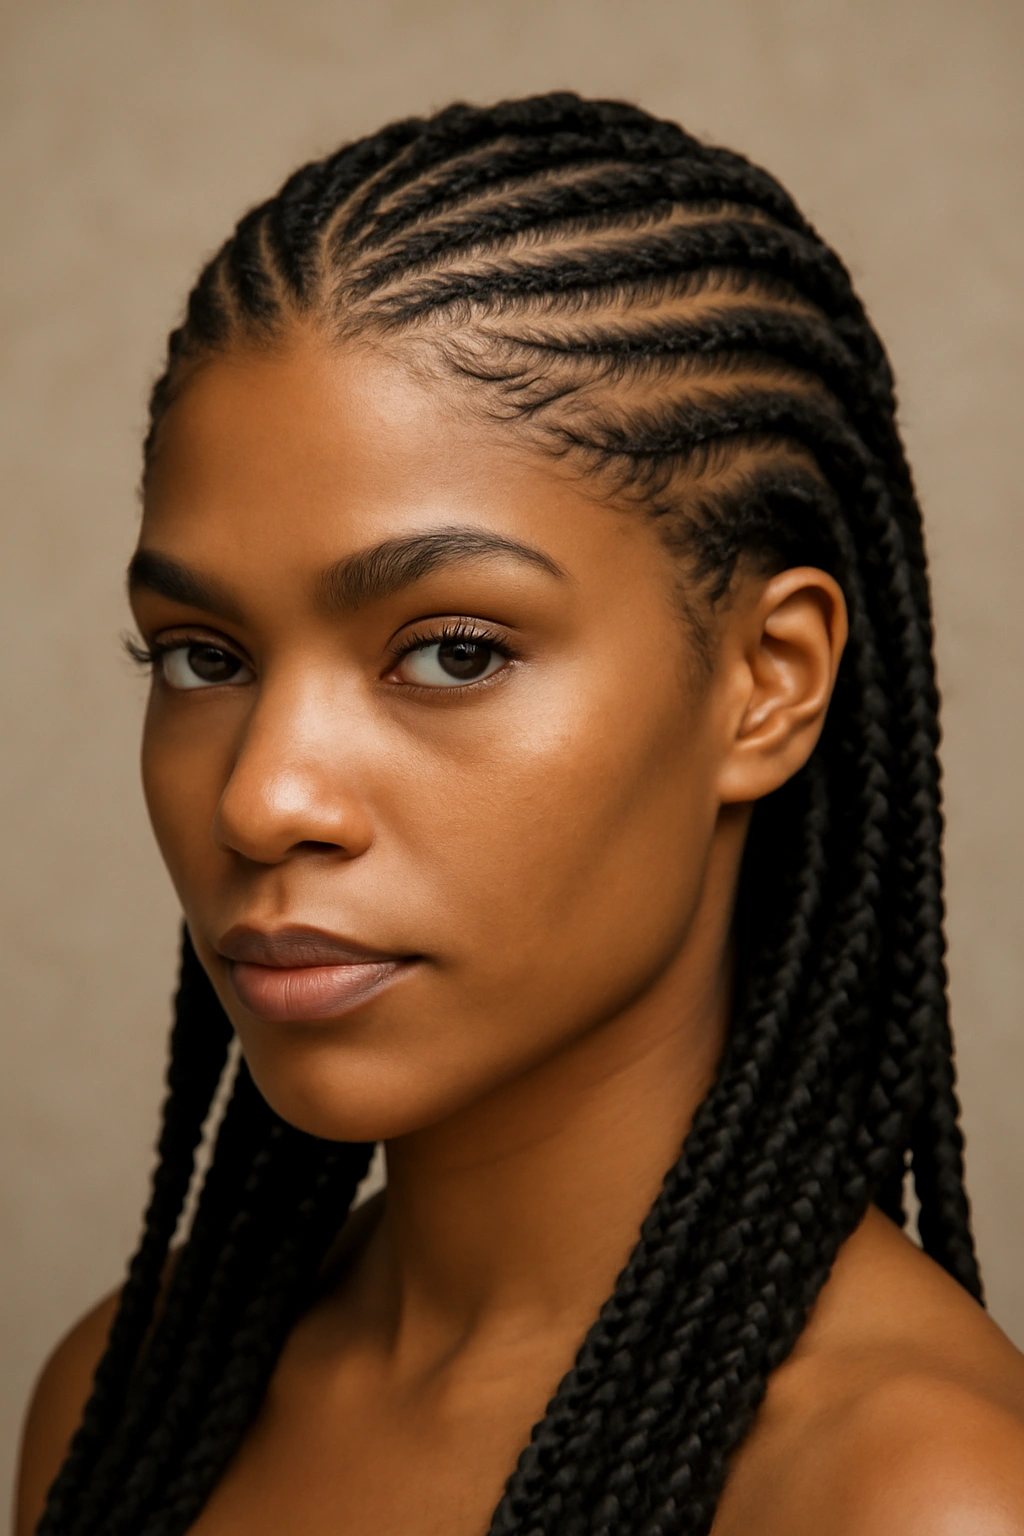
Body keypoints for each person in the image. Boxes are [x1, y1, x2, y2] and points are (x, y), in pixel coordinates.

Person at [15, 90, 1024, 1536]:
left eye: (453, 652)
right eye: (204, 658)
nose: (260, 797)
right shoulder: (118, 1403)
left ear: (765, 683)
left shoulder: (912, 1496)